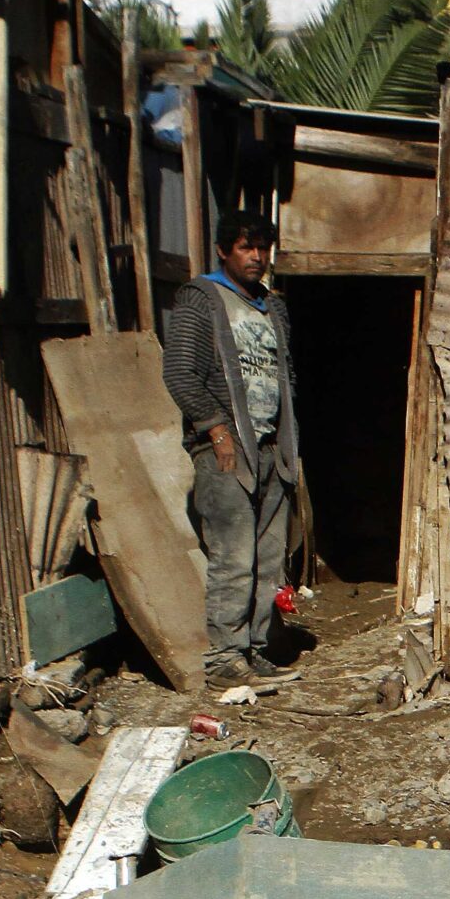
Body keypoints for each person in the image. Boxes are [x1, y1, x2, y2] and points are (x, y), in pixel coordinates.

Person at [162, 211, 300, 686]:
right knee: (234, 557)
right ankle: (225, 658)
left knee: (268, 556)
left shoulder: (271, 307)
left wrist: (288, 441)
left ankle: (257, 648)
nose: (257, 257)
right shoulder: (201, 299)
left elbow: (286, 377)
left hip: (269, 449)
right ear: (224, 250)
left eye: (263, 248)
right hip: (224, 448)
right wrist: (215, 429)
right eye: (246, 247)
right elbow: (179, 373)